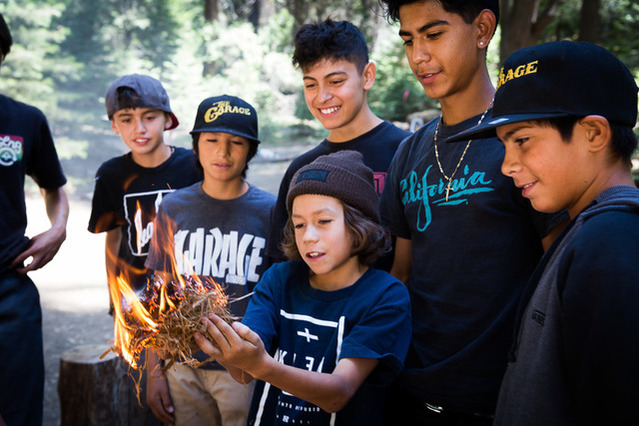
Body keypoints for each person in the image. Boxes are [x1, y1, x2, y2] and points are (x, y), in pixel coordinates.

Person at [376, 1, 567, 423]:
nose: (418, 56)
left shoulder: (522, 142)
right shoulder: (409, 152)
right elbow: (401, 275)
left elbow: (560, 278)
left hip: (501, 397)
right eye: (409, 40)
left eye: (434, 34)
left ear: (482, 29)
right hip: (412, 389)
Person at [446, 40, 639, 426]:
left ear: (593, 134)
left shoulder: (610, 245)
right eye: (504, 146)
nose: (507, 166)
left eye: (522, 141)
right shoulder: (586, 231)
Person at [194, 150, 412, 425]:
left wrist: (261, 364)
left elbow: (338, 393)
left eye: (323, 222)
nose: (308, 236)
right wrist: (225, 349)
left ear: (359, 222)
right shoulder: (279, 279)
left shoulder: (385, 296)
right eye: (299, 224)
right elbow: (243, 373)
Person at [144, 94, 276, 426]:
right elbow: (158, 293)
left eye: (236, 142)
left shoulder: (271, 211)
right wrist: (154, 370)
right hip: (183, 363)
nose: (223, 151)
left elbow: (279, 295)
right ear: (196, 144)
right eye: (211, 139)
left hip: (243, 368)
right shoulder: (173, 208)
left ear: (251, 150)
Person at [266, 18, 411, 271]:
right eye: (311, 84)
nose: (322, 96)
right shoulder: (302, 170)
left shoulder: (407, 151)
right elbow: (282, 264)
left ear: (367, 76)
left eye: (335, 81)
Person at [0, 12, 69, 425]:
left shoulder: (25, 120)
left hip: (9, 288)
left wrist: (57, 229)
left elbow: (53, 186)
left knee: (21, 412)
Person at [88, 73, 202, 308]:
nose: (139, 129)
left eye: (149, 117)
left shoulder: (195, 166)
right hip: (138, 300)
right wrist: (115, 300)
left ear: (168, 120)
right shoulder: (111, 175)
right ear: (114, 125)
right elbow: (114, 240)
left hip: (193, 297)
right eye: (126, 119)